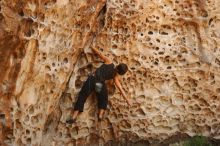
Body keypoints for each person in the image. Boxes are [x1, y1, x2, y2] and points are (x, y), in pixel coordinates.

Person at [66, 47, 131, 124]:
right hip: (99, 84)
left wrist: (92, 47)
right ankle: (100, 115)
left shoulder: (109, 62)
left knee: (82, 96)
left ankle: (73, 117)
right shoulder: (115, 76)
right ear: (120, 73)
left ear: (118, 65)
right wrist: (127, 100)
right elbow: (120, 88)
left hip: (92, 79)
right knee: (103, 97)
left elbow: (100, 54)